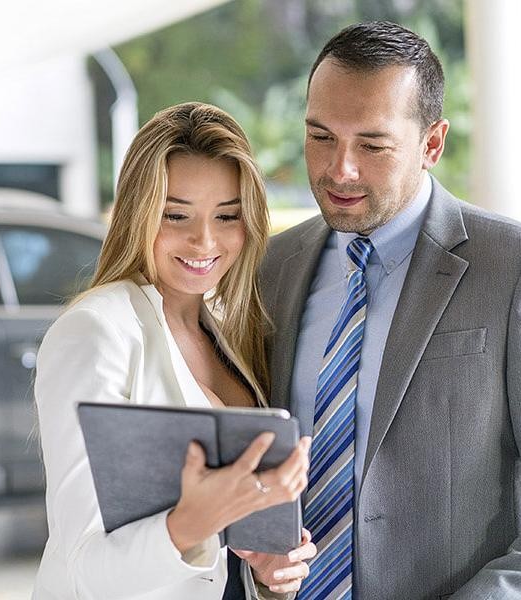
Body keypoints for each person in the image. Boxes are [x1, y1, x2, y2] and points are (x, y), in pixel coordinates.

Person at [257, 21, 521, 600]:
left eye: (372, 145)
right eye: (321, 137)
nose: (340, 170)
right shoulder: (272, 266)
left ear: (432, 144)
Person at [33, 102, 316, 600]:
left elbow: (227, 561)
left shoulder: (229, 331)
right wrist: (192, 523)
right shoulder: (95, 331)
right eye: (176, 215)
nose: (204, 240)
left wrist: (270, 573)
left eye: (227, 215)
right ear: (138, 213)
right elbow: (81, 569)